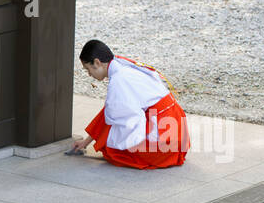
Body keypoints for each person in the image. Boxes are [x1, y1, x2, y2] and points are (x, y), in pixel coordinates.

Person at [69, 40, 189, 169]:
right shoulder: (123, 65)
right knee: (114, 118)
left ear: (97, 62)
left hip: (165, 140)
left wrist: (105, 138)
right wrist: (86, 142)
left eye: (88, 69)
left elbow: (115, 117)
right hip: (178, 132)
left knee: (112, 150)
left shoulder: (119, 80)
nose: (89, 74)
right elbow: (111, 112)